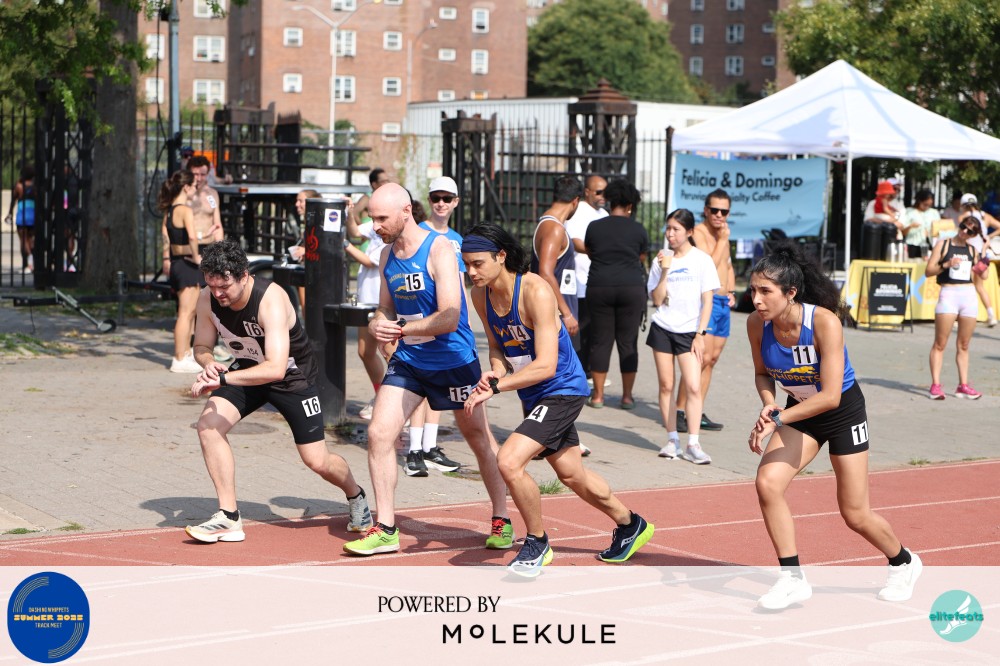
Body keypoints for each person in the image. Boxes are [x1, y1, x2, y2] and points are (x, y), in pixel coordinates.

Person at [461, 224, 654, 577]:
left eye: (477, 263)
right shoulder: (480, 295)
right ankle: (630, 524)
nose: (471, 272)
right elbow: (497, 345)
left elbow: (547, 365)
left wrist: (499, 388)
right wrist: (495, 372)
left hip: (562, 388)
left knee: (509, 461)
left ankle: (537, 542)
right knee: (571, 473)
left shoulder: (535, 290)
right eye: (466, 264)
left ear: (501, 256)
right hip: (534, 392)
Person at [747, 242, 921, 610]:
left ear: (790, 293)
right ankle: (792, 578)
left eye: (765, 291)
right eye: (753, 290)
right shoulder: (756, 324)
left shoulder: (823, 322)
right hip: (799, 412)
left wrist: (777, 420)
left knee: (854, 513)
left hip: (842, 413)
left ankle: (903, 562)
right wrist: (768, 405)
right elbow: (763, 373)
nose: (756, 299)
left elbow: (830, 397)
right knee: (768, 482)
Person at [342, 183, 511, 556]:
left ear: (406, 212)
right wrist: (378, 322)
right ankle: (386, 528)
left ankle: (502, 516)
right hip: (410, 361)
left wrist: (402, 330)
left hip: (454, 361)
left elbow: (450, 315)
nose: (375, 226)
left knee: (478, 438)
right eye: (372, 218)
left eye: (382, 218)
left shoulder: (439, 250)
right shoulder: (386, 255)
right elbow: (385, 307)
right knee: (379, 434)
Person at [186, 239, 372, 542]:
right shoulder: (208, 298)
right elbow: (201, 346)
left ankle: (356, 494)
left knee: (316, 460)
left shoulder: (270, 299)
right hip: (247, 371)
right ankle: (229, 517)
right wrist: (209, 364)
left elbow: (274, 368)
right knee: (208, 425)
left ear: (244, 275)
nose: (218, 294)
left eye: (225, 286)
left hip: (290, 378)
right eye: (212, 285)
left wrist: (224, 380)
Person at [403, 177, 468, 476]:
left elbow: (462, 283)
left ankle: (429, 447)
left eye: (447, 198)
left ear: (456, 202)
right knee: (420, 385)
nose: (441, 203)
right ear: (429, 200)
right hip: (422, 320)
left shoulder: (457, 239)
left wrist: (468, 322)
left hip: (450, 323)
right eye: (436, 197)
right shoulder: (420, 232)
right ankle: (413, 450)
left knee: (440, 386)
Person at [647, 209, 719, 464]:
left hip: (690, 331)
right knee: (666, 385)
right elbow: (657, 300)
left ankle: (693, 443)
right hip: (663, 328)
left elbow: (708, 301)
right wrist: (664, 270)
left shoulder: (702, 260)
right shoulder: (660, 260)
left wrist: (701, 334)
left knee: (693, 386)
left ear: (689, 232)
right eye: (668, 228)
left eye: (676, 229)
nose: (670, 234)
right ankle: (672, 440)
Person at [531, 176, 592, 456]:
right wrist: (565, 312)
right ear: (576, 200)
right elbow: (546, 272)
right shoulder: (554, 228)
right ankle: (549, 436)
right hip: (554, 316)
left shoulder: (550, 225)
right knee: (565, 379)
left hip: (552, 312)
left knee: (556, 377)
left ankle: (559, 435)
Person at [583, 178, 649, 410]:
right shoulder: (638, 229)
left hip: (599, 286)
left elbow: (590, 252)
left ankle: (598, 396)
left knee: (600, 341)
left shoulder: (594, 226)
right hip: (631, 287)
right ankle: (627, 397)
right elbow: (641, 257)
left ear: (610, 201)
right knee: (628, 342)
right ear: (630, 205)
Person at [675, 189, 733, 433]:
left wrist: (731, 290)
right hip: (706, 301)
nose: (719, 215)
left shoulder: (723, 234)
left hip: (723, 302)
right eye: (715, 210)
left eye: (724, 211)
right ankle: (679, 410)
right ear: (706, 210)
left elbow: (727, 265)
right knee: (698, 358)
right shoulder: (699, 232)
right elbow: (709, 263)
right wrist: (722, 240)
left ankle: (696, 411)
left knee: (711, 360)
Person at [925, 217, 985, 399]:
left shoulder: (972, 250)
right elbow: (928, 271)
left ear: (974, 235)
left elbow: (984, 275)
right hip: (949, 294)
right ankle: (935, 385)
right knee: (940, 343)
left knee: (964, 344)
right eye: (963, 227)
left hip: (968, 295)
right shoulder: (943, 245)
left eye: (970, 231)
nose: (965, 232)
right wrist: (946, 264)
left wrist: (984, 263)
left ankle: (963, 385)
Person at [160, 170, 204, 373]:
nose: (196, 188)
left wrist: (166, 258)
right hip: (187, 264)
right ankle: (179, 357)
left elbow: (166, 238)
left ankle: (186, 353)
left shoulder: (169, 211)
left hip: (178, 262)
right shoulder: (185, 210)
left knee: (191, 311)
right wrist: (196, 257)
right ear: (186, 187)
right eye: (194, 185)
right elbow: (192, 237)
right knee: (186, 313)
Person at [566, 175, 608, 381]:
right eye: (599, 192)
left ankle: (590, 372)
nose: (603, 196)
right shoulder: (579, 212)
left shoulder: (604, 214)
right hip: (579, 281)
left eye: (605, 192)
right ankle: (579, 372)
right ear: (587, 192)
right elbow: (574, 241)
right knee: (581, 329)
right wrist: (599, 251)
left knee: (595, 329)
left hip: (599, 280)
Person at [956, 193, 1000, 327]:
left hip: (968, 254)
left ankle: (960, 317)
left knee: (963, 285)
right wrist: (989, 236)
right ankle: (991, 315)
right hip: (982, 254)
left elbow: (961, 235)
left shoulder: (963, 217)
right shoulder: (985, 216)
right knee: (980, 287)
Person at [5, 165, 35, 273]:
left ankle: (29, 262)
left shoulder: (19, 186)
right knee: (30, 239)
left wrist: (10, 213)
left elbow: (13, 200)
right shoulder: (35, 186)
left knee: (23, 239)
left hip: (22, 214)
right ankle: (32, 262)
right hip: (33, 213)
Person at [901, 189, 940, 259]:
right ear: (919, 201)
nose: (927, 207)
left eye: (929, 205)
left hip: (927, 244)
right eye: (925, 204)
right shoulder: (909, 212)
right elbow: (903, 232)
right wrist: (911, 226)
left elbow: (939, 229)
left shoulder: (934, 212)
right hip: (912, 244)